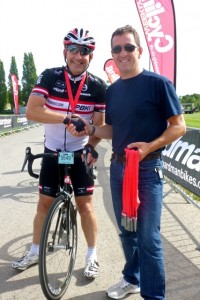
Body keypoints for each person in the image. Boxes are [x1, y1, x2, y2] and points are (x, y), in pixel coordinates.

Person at [67, 25, 186, 299]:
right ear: (112, 54)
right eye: (117, 48)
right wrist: (91, 130)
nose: (123, 53)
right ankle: (132, 279)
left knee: (148, 238)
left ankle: (154, 295)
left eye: (129, 47)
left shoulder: (158, 84)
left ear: (139, 50)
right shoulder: (113, 91)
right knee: (126, 231)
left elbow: (178, 126)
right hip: (119, 169)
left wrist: (150, 146)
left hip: (146, 169)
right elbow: (113, 130)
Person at [12, 27, 107, 279]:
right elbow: (32, 111)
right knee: (43, 203)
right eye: (73, 49)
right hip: (53, 151)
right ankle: (34, 251)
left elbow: (99, 125)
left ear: (91, 57)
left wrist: (91, 146)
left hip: (79, 153)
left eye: (84, 51)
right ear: (65, 52)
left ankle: (91, 255)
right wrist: (66, 117)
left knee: (85, 206)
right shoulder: (50, 76)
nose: (78, 55)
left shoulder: (97, 85)